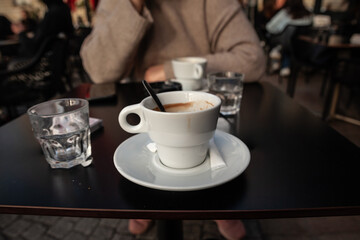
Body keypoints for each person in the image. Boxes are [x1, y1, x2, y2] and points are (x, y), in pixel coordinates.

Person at [80, 0, 265, 84]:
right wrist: (133, 4)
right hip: (138, 113)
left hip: (204, 111)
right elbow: (99, 72)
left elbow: (252, 60)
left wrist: (172, 71)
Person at [265, 0, 312, 77]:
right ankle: (284, 65)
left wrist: (280, 28)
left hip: (286, 43)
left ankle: (277, 50)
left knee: (272, 35)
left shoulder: (285, 13)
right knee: (291, 41)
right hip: (302, 46)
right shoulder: (309, 14)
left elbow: (269, 27)